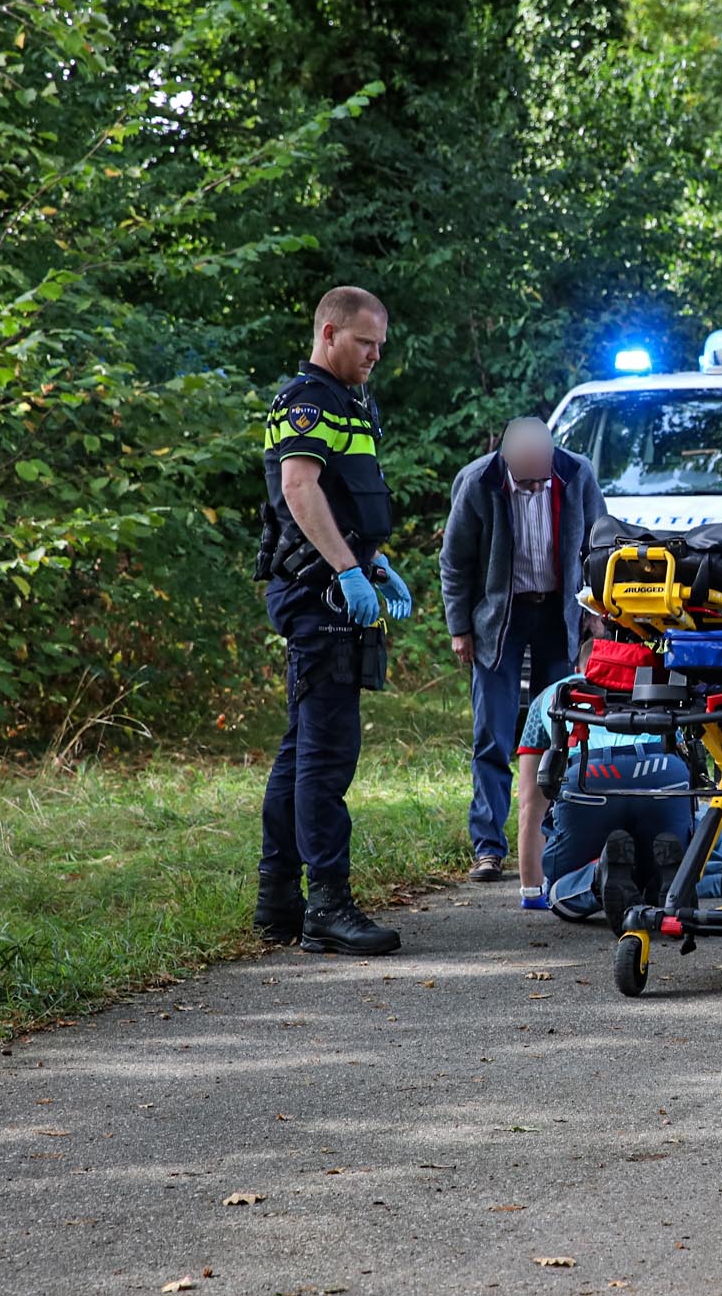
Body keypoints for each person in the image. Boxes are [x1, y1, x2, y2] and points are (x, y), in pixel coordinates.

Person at [254, 286, 412, 956]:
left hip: (336, 587)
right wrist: (347, 570)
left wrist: (370, 563)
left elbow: (346, 497)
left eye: (380, 343)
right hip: (319, 596)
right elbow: (299, 487)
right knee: (326, 755)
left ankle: (278, 901)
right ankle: (328, 906)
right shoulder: (308, 400)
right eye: (364, 342)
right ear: (328, 334)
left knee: (302, 751)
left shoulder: (349, 403)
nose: (376, 354)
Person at [440, 417, 607, 888]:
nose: (536, 483)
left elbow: (601, 545)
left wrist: (594, 611)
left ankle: (555, 842)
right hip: (501, 618)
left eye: (542, 474)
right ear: (506, 460)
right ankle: (488, 848)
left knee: (562, 731)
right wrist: (460, 628)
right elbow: (455, 561)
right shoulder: (479, 481)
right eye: (526, 477)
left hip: (558, 614)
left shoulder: (577, 473)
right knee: (492, 734)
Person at [511, 635, 722, 927]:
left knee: (557, 889)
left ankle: (596, 878)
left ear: (581, 666)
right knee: (690, 836)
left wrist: (531, 891)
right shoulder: (659, 685)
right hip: (663, 772)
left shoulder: (555, 693)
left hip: (591, 776)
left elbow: (530, 802)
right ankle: (664, 883)